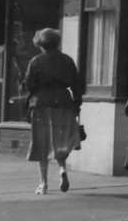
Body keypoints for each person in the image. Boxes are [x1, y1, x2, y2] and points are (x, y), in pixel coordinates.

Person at [22, 26, 83, 195]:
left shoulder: (35, 61)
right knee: (60, 141)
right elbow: (77, 85)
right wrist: (77, 105)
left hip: (41, 104)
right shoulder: (67, 60)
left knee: (42, 144)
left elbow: (29, 84)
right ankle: (62, 169)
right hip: (63, 103)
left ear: (41, 44)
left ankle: (44, 183)